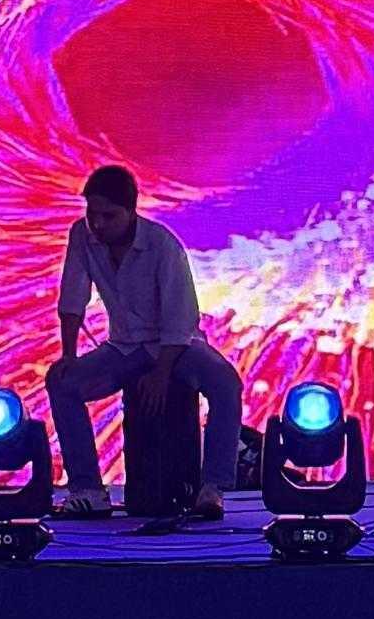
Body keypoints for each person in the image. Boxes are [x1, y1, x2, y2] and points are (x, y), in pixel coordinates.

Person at [51, 163, 247, 521]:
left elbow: (181, 318)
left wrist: (161, 372)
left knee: (226, 384)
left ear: (131, 211)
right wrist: (68, 355)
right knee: (62, 383)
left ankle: (212, 488)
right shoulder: (82, 235)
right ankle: (88, 489)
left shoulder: (162, 245)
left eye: (108, 216)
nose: (98, 224)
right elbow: (73, 297)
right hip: (124, 347)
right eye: (93, 214)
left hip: (176, 345)